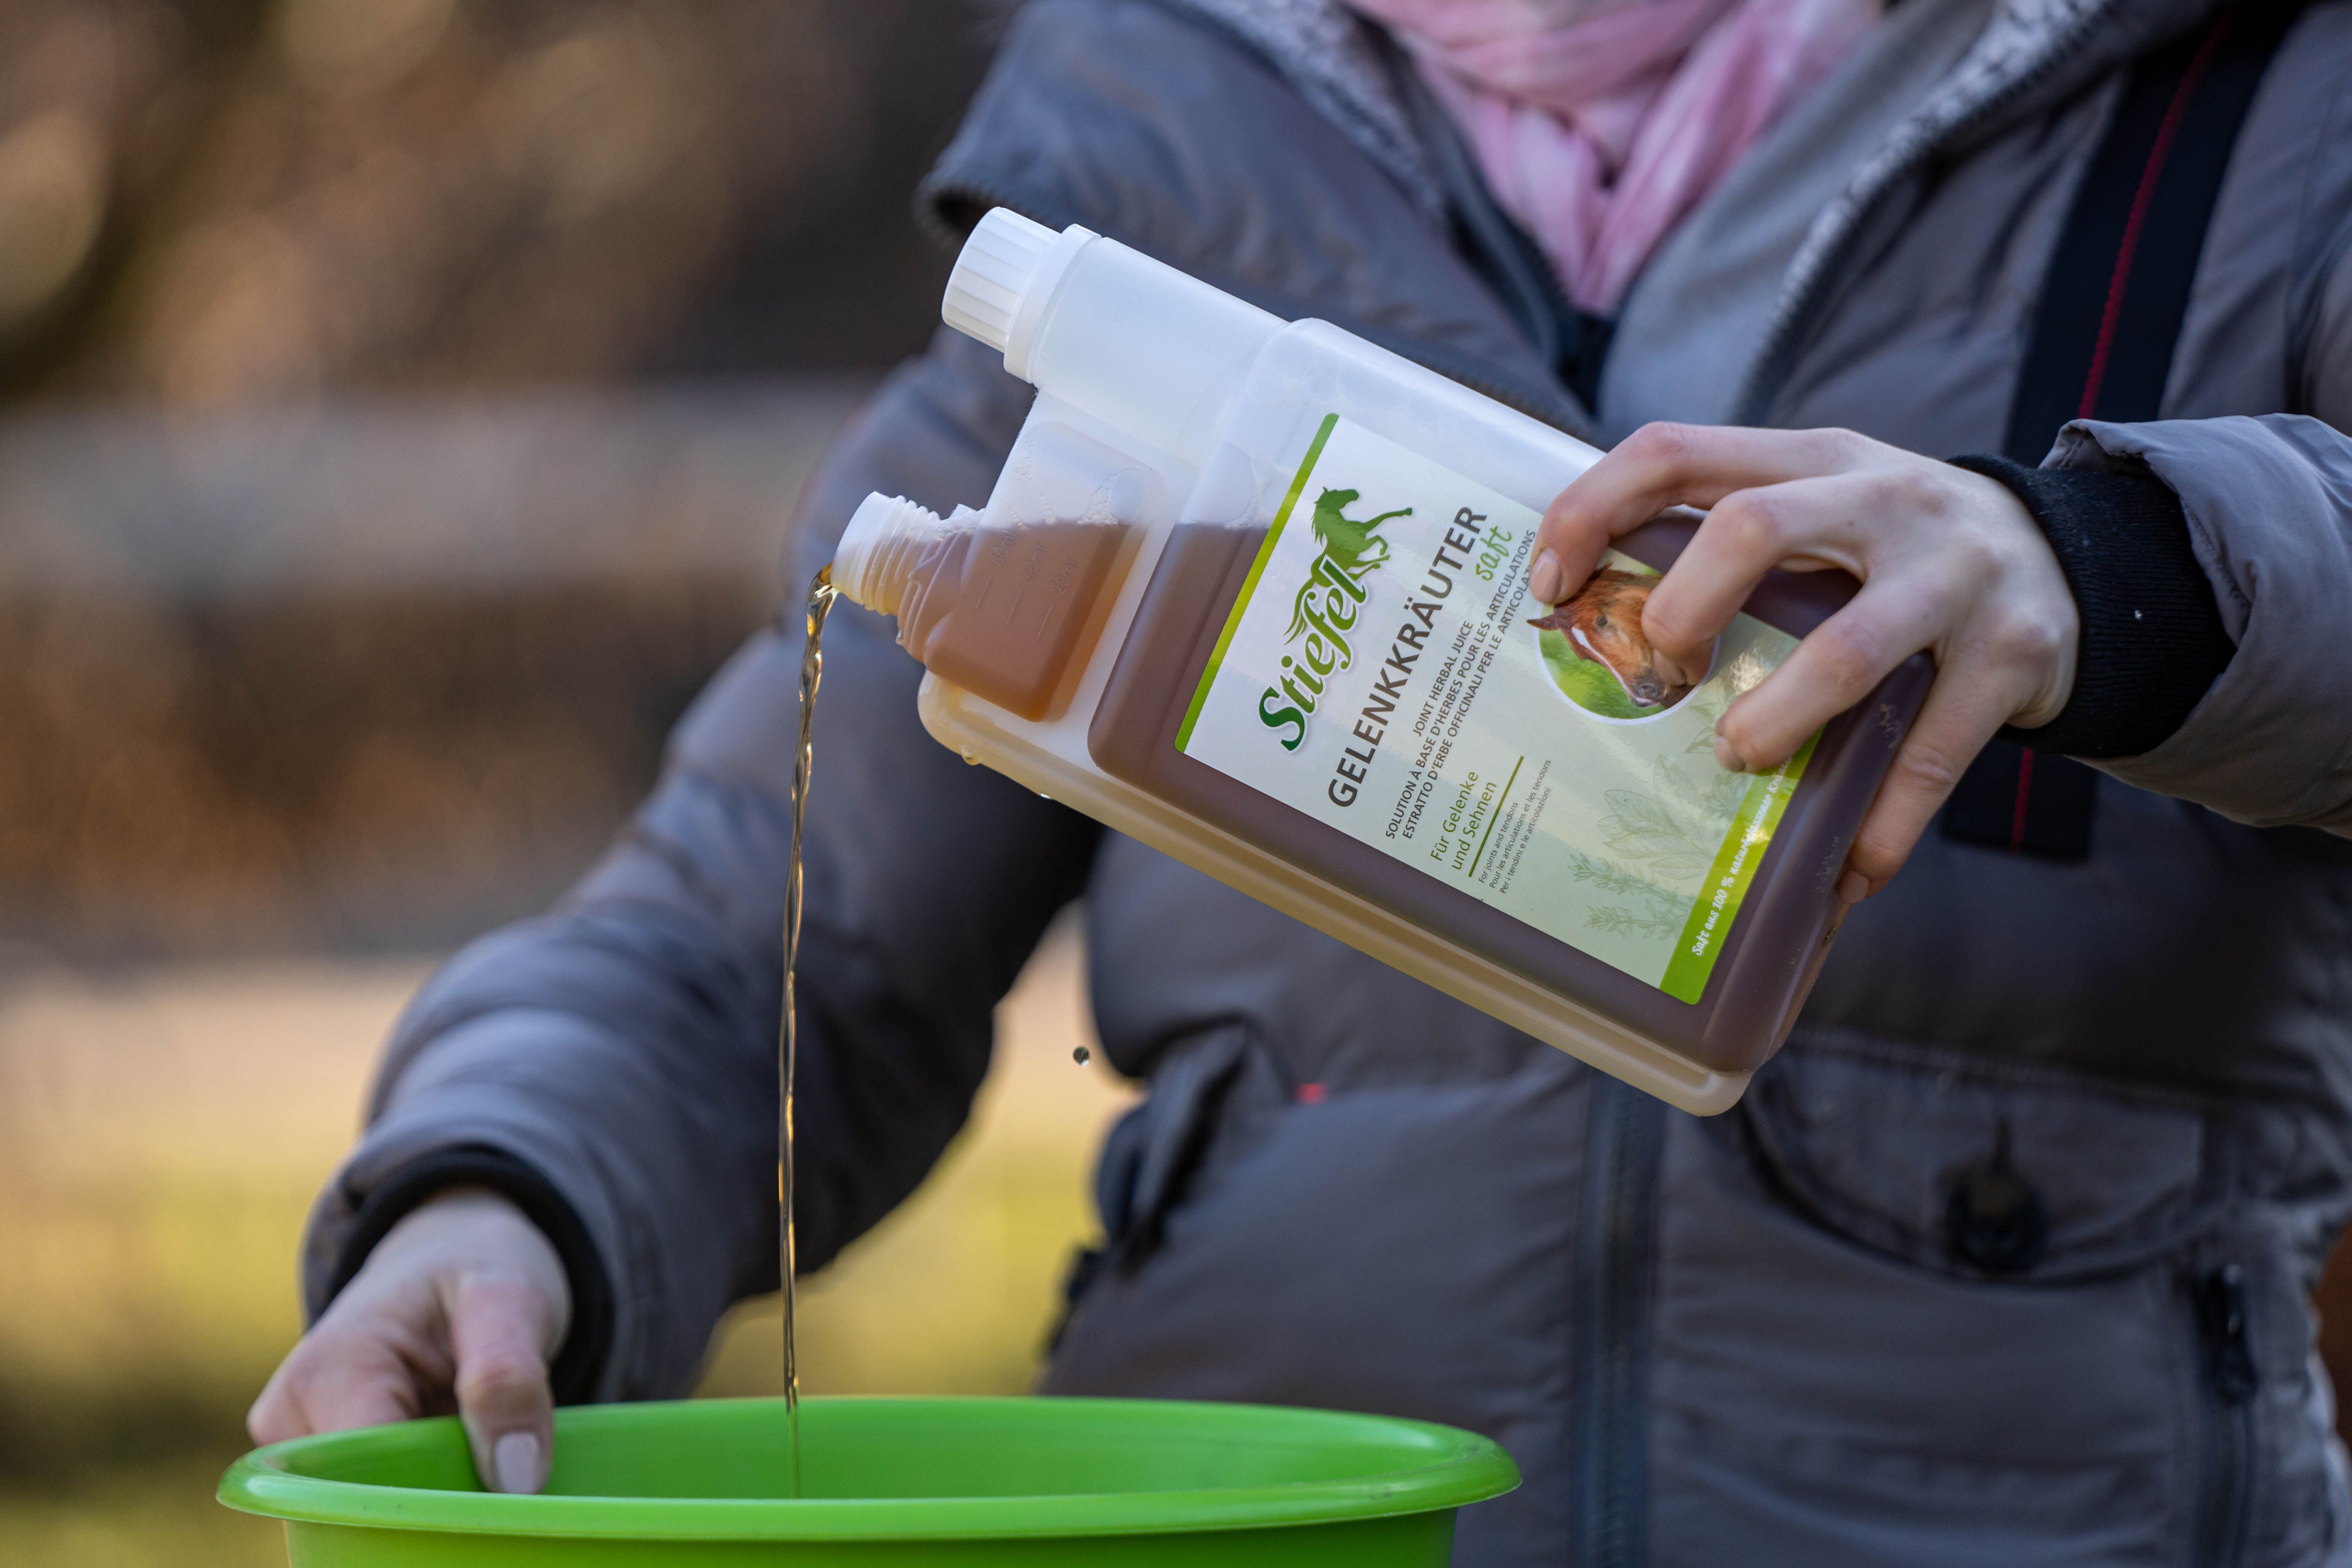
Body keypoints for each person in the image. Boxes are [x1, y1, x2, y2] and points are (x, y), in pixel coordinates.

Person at [251, 0, 2352, 1562]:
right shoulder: (1176, 140)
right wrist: (495, 1189)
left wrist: (2120, 574)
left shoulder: (2254, 98)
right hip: (1261, 1503)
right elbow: (760, 929)